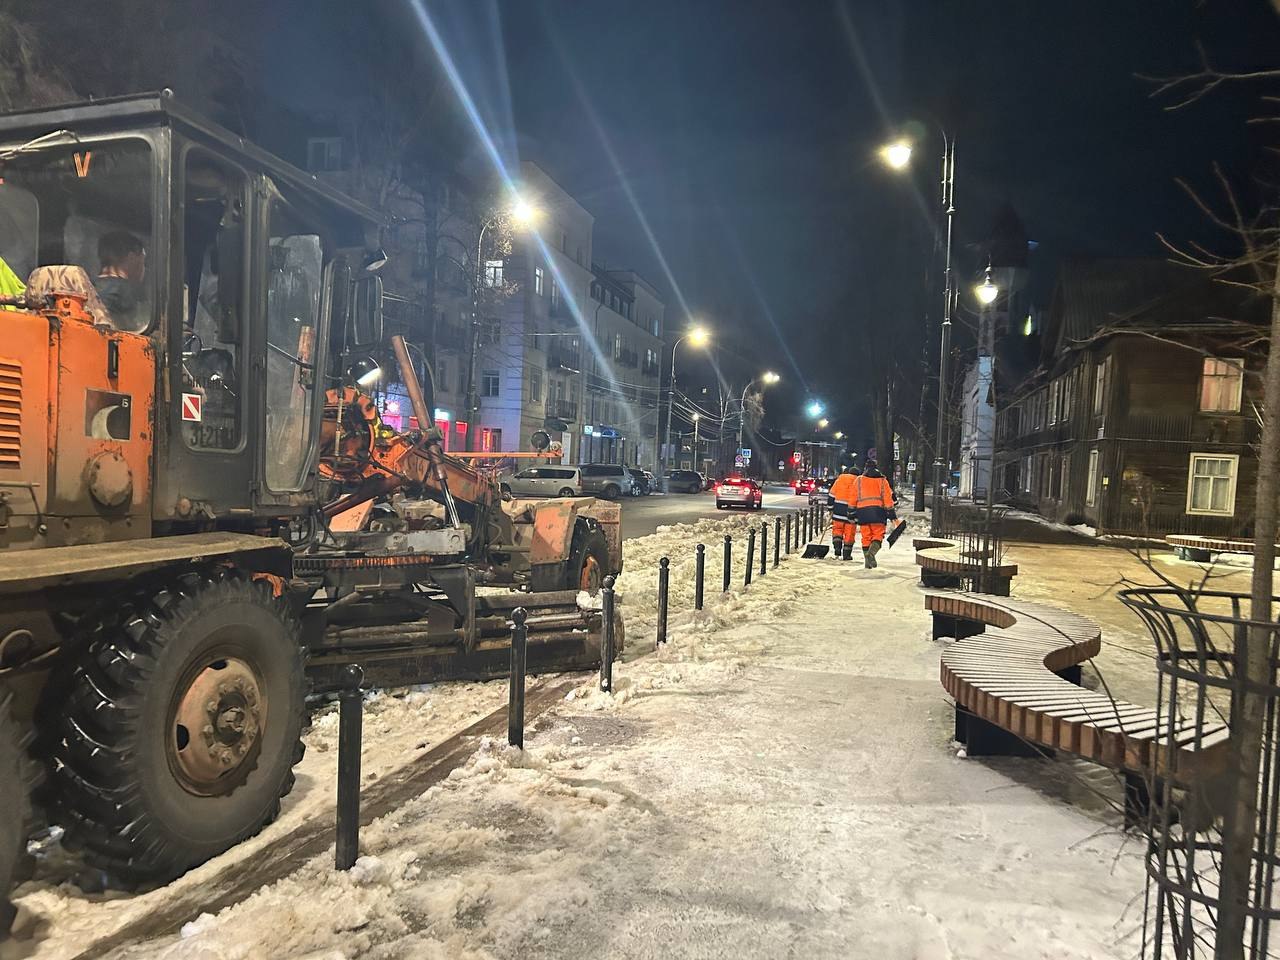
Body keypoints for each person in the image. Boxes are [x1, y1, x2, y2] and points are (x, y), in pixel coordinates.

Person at [94, 230, 146, 326]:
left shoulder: (88, 285)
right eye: (143, 261)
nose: (144, 268)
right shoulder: (126, 292)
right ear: (132, 258)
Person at [852, 456, 896, 568]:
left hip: (862, 512)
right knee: (878, 535)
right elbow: (887, 497)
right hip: (878, 512)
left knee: (866, 537)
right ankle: (871, 553)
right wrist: (891, 512)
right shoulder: (882, 481)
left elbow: (853, 497)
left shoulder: (859, 480)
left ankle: (868, 563)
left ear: (865, 468)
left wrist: (851, 510)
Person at [827, 461, 860, 561]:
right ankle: (846, 555)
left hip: (838, 511)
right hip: (852, 513)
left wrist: (830, 508)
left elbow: (831, 495)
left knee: (837, 530)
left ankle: (837, 549)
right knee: (849, 534)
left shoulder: (839, 480)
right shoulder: (859, 483)